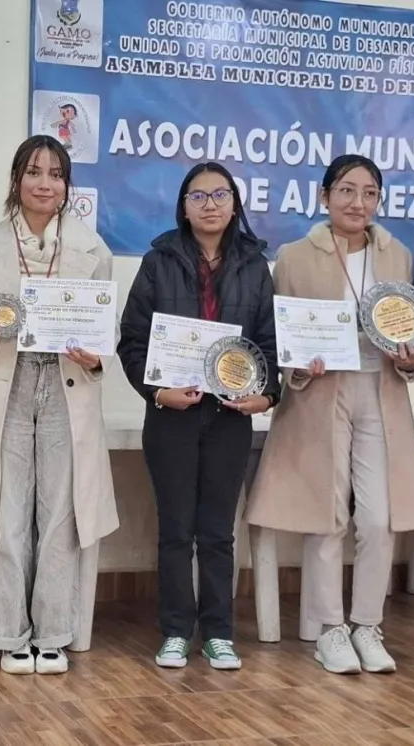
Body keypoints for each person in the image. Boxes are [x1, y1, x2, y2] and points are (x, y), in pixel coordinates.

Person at [245, 154, 414, 675]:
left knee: (378, 517)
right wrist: (300, 369)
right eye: (347, 191)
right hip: (321, 395)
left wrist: (411, 359)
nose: (359, 202)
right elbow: (283, 339)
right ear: (324, 197)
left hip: (380, 390)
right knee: (325, 515)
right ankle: (330, 629)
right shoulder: (294, 256)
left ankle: (367, 624)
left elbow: (412, 330)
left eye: (370, 192)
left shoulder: (399, 256)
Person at [0, 135, 119, 675]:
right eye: (33, 172)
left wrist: (96, 356)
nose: (45, 183)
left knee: (61, 513)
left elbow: (104, 332)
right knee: (7, 511)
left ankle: (54, 633)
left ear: (67, 185)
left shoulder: (95, 250)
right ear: (16, 180)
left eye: (55, 174)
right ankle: (8, 633)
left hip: (68, 385)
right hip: (10, 381)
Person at [116, 162, 280, 670]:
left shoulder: (254, 264)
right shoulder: (159, 260)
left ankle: (219, 632)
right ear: (183, 206)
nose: (210, 204)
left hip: (230, 416)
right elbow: (133, 342)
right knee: (175, 530)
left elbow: (272, 345)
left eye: (220, 194)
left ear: (235, 203)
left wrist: (267, 396)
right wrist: (158, 392)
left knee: (216, 532)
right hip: (172, 416)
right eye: (198, 195)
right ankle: (174, 631)